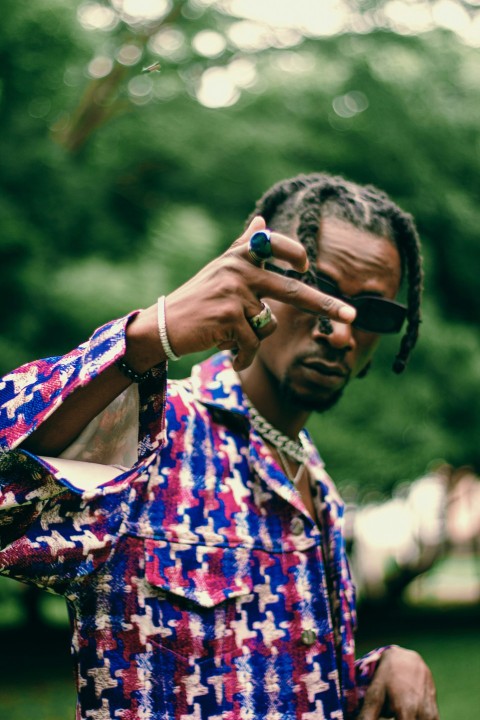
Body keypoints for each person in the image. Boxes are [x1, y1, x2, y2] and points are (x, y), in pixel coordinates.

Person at [0, 172, 438, 720]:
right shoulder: (155, 432)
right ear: (258, 282)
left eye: (373, 313)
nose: (344, 332)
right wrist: (146, 337)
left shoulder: (318, 488)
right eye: (319, 291)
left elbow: (275, 680)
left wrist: (383, 669)